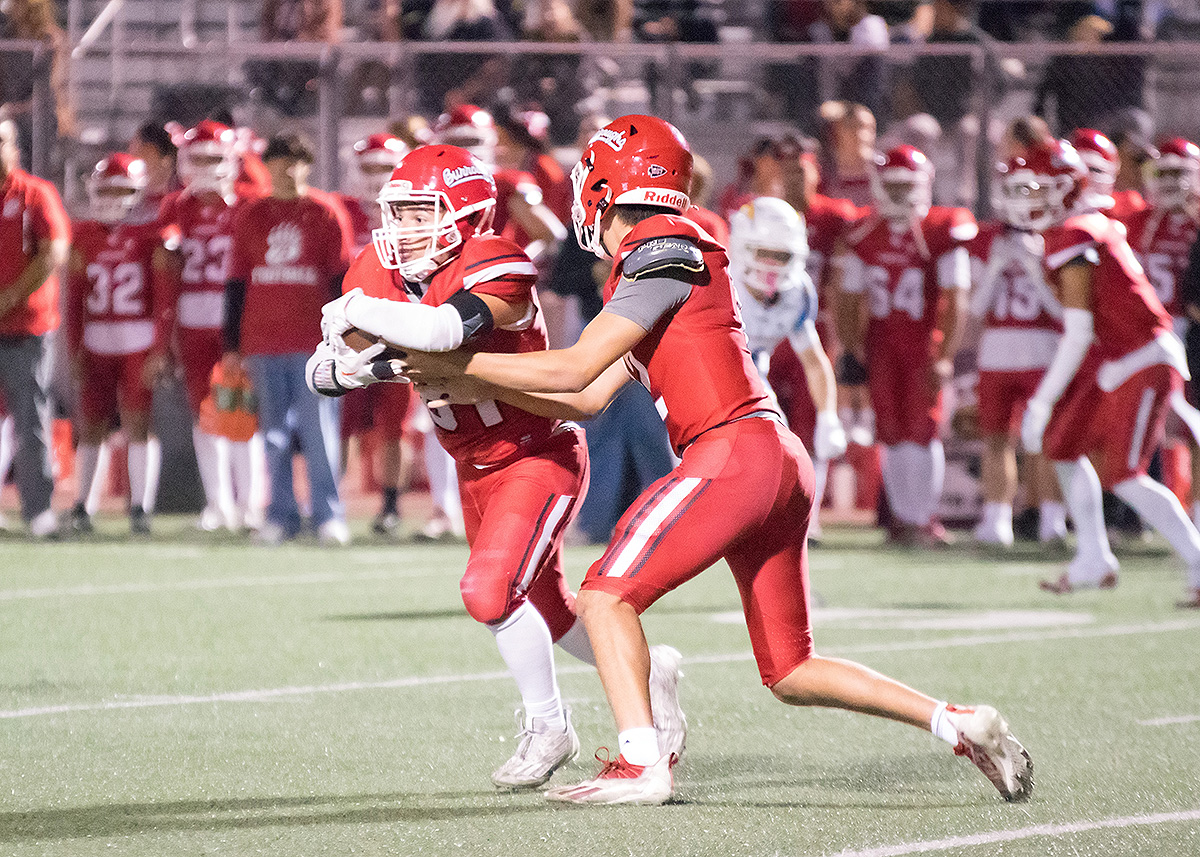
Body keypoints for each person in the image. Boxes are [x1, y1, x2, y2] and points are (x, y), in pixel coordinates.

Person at [401, 115, 1034, 805]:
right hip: (766, 456)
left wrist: (458, 358)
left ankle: (642, 762)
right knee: (791, 670)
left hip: (735, 449)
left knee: (607, 596)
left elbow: (578, 362)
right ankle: (958, 721)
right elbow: (583, 396)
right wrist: (465, 380)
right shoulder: (647, 266)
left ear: (613, 184)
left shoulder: (661, 241)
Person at [307, 143, 685, 788]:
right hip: (471, 464)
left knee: (487, 592)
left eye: (421, 212)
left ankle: (548, 725)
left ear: (467, 215)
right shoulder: (382, 270)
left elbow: (442, 335)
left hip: (536, 456)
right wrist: (351, 353)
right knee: (554, 612)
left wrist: (356, 323)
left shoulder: (497, 263)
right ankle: (655, 672)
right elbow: (327, 368)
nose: (403, 228)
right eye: (396, 213)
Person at [1007, 139, 1200, 607]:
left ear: (1064, 188)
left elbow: (1077, 331)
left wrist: (1042, 400)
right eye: (1019, 189)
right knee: (1063, 446)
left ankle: (1197, 563)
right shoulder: (1077, 228)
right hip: (1114, 357)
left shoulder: (1074, 233)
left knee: (1126, 475)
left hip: (1143, 357)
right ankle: (1093, 555)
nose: (1025, 199)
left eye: (1035, 188)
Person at [838, 145, 977, 545]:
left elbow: (957, 298)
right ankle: (902, 518)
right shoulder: (864, 232)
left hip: (923, 344)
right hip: (881, 344)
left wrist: (946, 355)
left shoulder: (941, 227)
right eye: (893, 187)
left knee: (923, 430)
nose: (900, 196)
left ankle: (925, 517)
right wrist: (852, 348)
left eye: (906, 186)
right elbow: (847, 298)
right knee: (891, 432)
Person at [222, 132, 351, 545]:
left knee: (320, 434)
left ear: (307, 166)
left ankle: (328, 515)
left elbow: (341, 282)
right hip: (262, 341)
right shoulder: (250, 216)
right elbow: (237, 283)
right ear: (268, 166)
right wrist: (231, 346)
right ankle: (279, 514)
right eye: (279, 161)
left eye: (295, 161)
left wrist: (344, 341)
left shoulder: (325, 212)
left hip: (316, 345)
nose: (286, 168)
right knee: (273, 436)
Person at [160, 119, 266, 533]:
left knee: (243, 411)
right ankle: (218, 504)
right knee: (205, 413)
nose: (205, 166)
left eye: (213, 157)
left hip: (237, 317)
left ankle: (250, 503)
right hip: (191, 317)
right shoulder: (176, 205)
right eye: (197, 157)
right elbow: (168, 256)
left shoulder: (248, 202)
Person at [65, 154, 177, 535]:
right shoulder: (82, 234)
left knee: (138, 425)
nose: (113, 197)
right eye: (106, 189)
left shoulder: (154, 235)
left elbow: (164, 297)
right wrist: (74, 347)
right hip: (97, 339)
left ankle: (140, 507)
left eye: (122, 189)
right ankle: (84, 505)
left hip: (137, 339)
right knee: (91, 425)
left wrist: (160, 350)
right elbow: (74, 298)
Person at [729, 196, 847, 539]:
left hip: (751, 369)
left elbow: (814, 360)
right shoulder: (722, 282)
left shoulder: (798, 292)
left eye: (781, 255)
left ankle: (776, 525)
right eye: (764, 252)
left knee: (777, 447)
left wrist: (828, 416)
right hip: (701, 371)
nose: (771, 264)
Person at [967, 170, 1067, 547]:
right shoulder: (987, 239)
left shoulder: (1058, 237)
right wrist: (996, 266)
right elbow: (977, 306)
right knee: (996, 438)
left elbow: (1062, 311)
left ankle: (1051, 518)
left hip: (1043, 348)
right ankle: (997, 517)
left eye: (1032, 191)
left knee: (1043, 440)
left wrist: (1033, 269)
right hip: (997, 350)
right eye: (1017, 191)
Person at [338, 132, 414, 536]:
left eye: (385, 168)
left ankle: (389, 506)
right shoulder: (342, 210)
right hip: (348, 333)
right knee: (341, 423)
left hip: (401, 333)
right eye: (369, 168)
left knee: (393, 427)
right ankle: (333, 502)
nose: (376, 177)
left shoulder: (415, 212)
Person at [1122, 138, 1200, 528]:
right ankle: (1153, 511)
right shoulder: (1135, 222)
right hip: (1146, 334)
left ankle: (1190, 509)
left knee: (1189, 422)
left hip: (1189, 330)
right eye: (1162, 172)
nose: (1169, 181)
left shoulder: (1195, 225)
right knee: (1150, 421)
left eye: (1178, 173)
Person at [0, 113, 69, 538]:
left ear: (14, 148)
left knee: (31, 417)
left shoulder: (35, 194)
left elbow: (54, 251)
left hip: (28, 325)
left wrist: (10, 296)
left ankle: (39, 510)